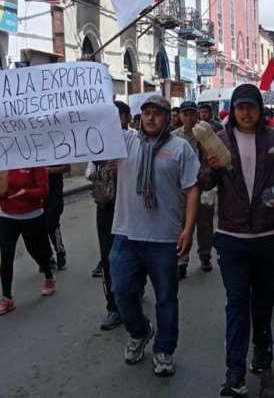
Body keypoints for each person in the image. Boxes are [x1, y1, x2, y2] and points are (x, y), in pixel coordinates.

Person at [199, 84, 274, 397]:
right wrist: (212, 168)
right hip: (232, 238)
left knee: (263, 302)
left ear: (259, 109)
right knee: (238, 302)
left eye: (250, 107)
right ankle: (234, 373)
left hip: (269, 237)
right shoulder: (219, 141)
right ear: (233, 108)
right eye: (240, 107)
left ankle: (262, 349)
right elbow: (204, 182)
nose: (245, 113)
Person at [110, 94, 200, 377]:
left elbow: (192, 189)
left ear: (166, 117)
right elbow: (95, 126)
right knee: (121, 289)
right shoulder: (125, 142)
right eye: (145, 112)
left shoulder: (180, 148)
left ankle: (163, 350)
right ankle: (139, 331)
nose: (150, 117)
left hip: (164, 239)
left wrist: (188, 229)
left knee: (166, 298)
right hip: (126, 235)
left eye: (157, 113)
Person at [86, 100, 132, 331]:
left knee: (133, 257)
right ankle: (113, 307)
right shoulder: (98, 142)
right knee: (108, 258)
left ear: (127, 118)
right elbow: (90, 173)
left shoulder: (136, 141)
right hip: (107, 208)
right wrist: (105, 170)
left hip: (133, 210)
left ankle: (132, 294)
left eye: (117, 116)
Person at [0, 165, 56, 316]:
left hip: (31, 215)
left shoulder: (34, 161)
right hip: (7, 215)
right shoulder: (3, 161)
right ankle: (7, 298)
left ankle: (49, 276)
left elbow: (44, 190)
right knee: (6, 254)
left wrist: (26, 193)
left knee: (36, 251)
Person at [173, 100, 216, 279]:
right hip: (182, 187)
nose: (189, 117)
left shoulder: (205, 133)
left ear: (197, 114)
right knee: (182, 223)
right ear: (180, 116)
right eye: (185, 114)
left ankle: (205, 256)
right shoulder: (174, 136)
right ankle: (182, 261)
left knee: (205, 223)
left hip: (203, 184)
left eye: (192, 113)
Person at [45, 164, 71, 270]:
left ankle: (60, 251)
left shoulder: (56, 150)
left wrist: (48, 171)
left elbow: (66, 168)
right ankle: (48, 257)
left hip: (54, 194)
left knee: (52, 225)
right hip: (38, 194)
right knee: (40, 228)